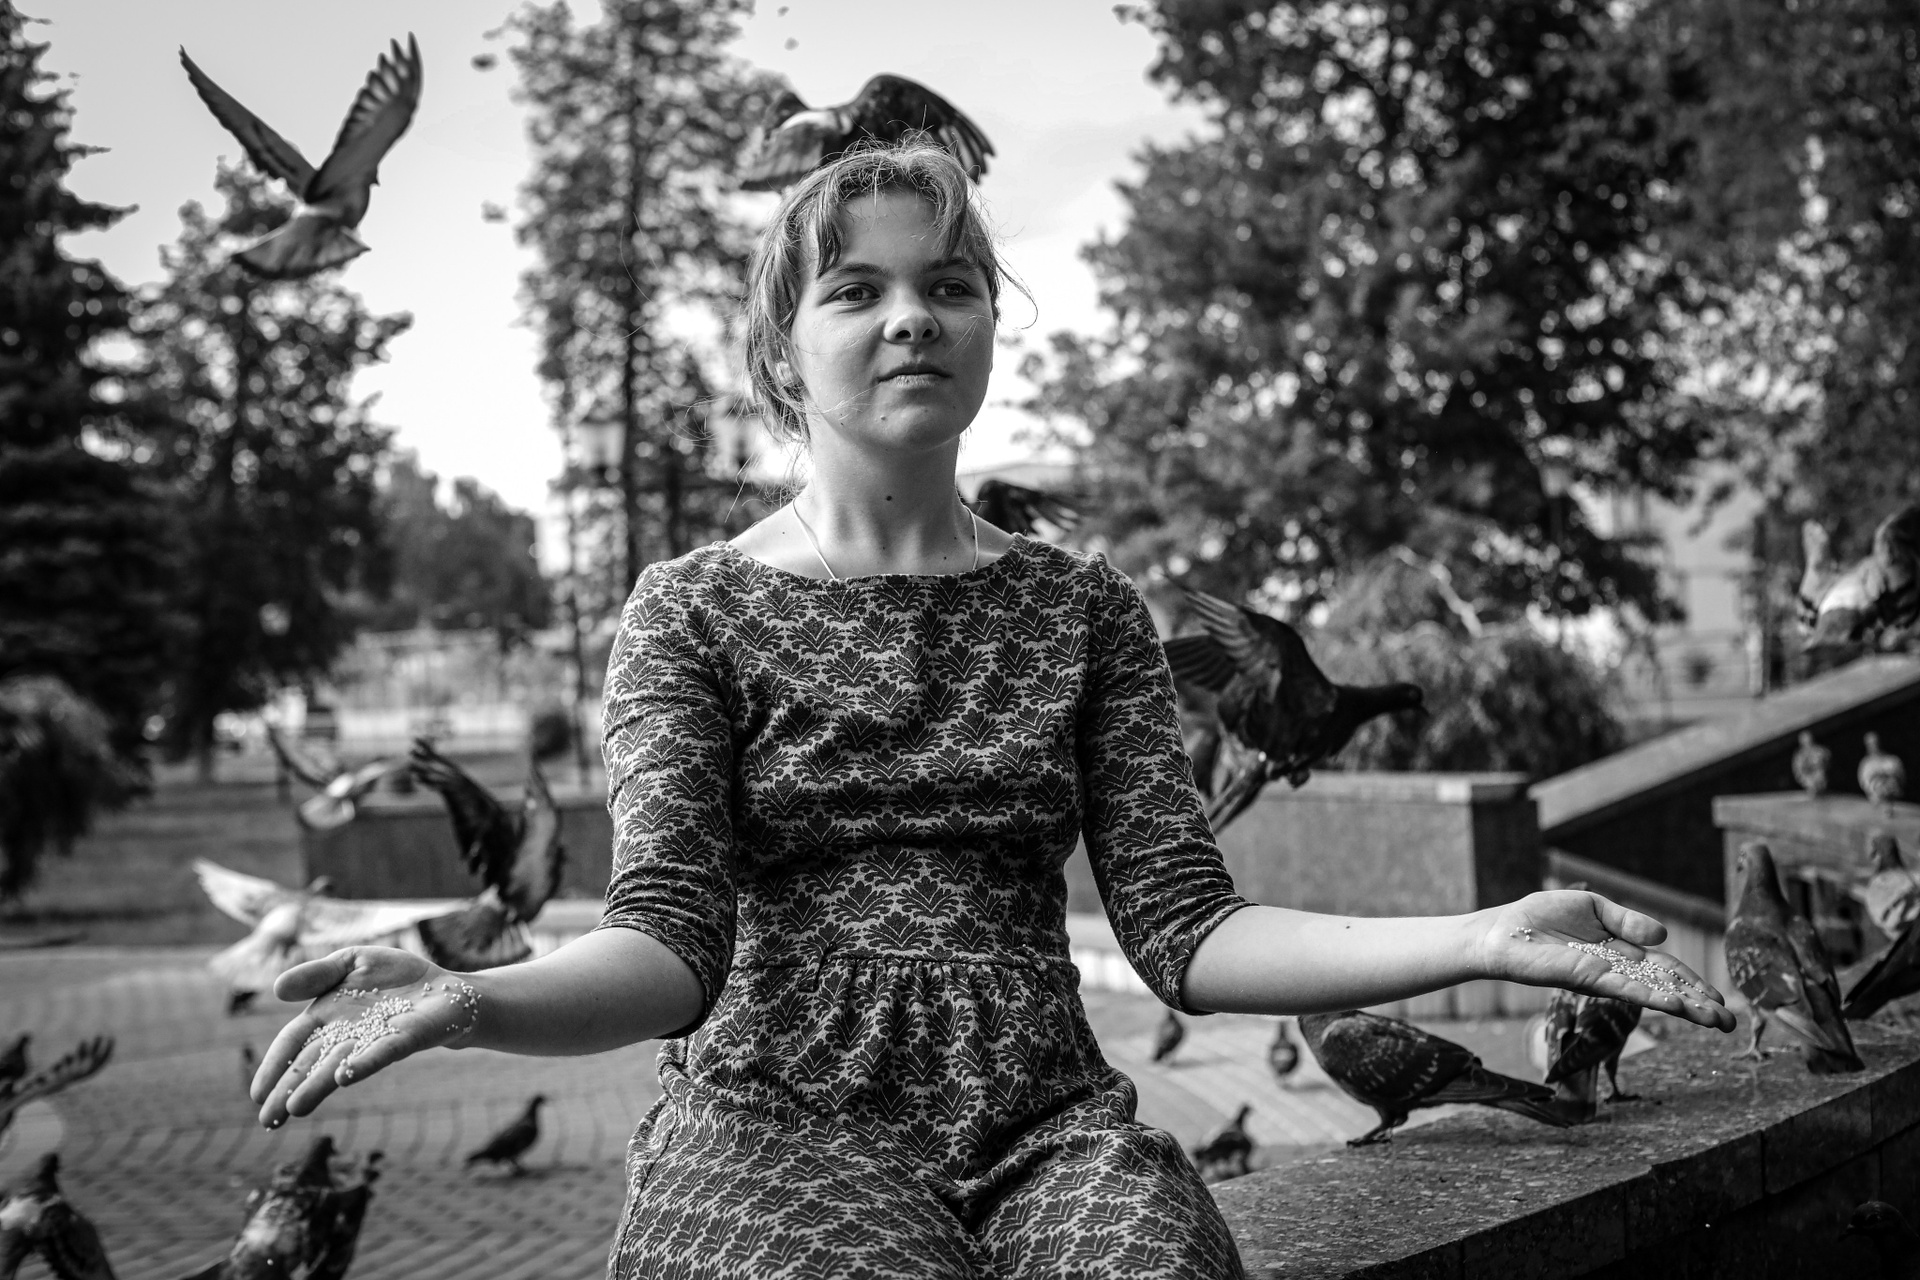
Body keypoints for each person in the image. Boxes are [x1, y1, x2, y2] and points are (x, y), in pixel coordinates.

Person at [249, 141, 1734, 1279]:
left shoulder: (1082, 607)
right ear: (780, 353)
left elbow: (1190, 933)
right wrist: (465, 999)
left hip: (1047, 1133)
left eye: (950, 285)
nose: (915, 318)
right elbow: (665, 945)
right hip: (773, 1127)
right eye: (858, 290)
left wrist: (1482, 937)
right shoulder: (689, 610)